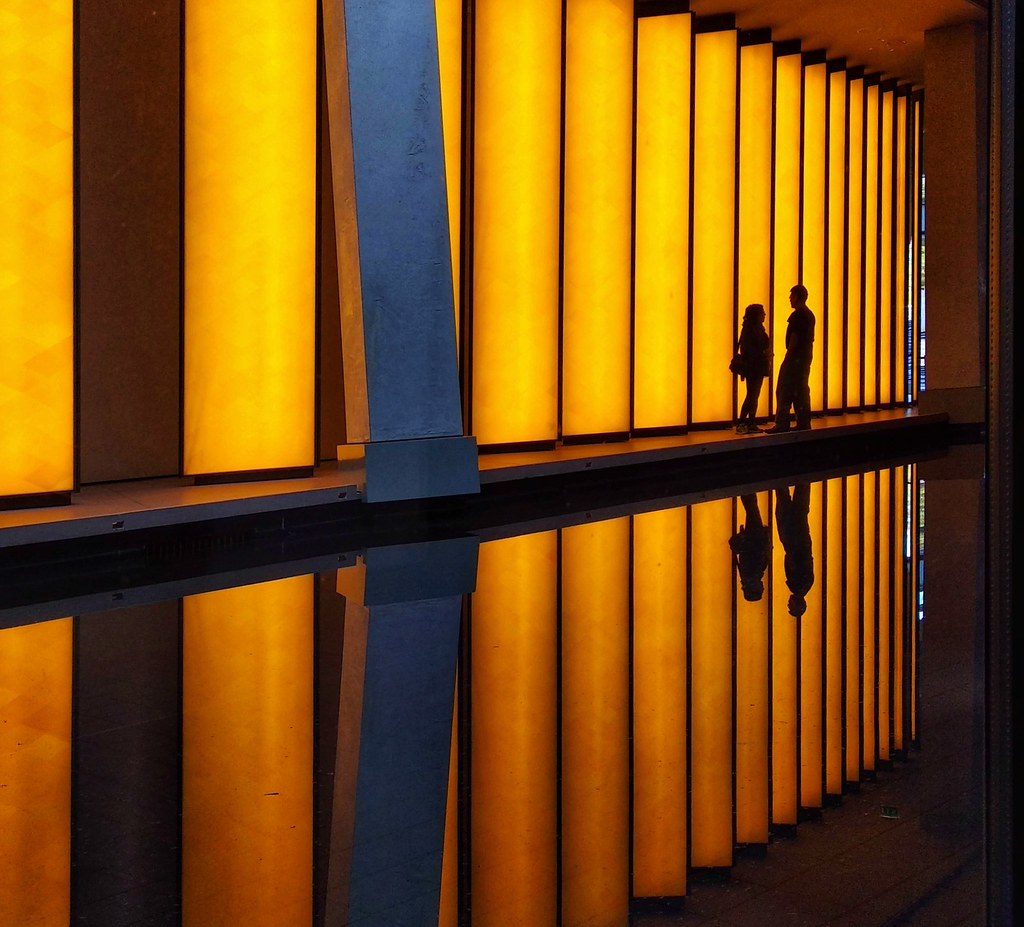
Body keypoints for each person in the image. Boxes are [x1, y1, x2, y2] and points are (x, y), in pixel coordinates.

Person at [766, 284, 815, 433]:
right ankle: (803, 421)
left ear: (797, 297)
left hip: (795, 357)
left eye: (791, 296)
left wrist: (787, 358)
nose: (789, 299)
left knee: (784, 388)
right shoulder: (809, 314)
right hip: (805, 356)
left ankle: (782, 423)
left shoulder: (798, 315)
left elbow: (794, 339)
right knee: (800, 389)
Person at [775, 482, 814, 617]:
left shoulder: (807, 583)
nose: (788, 603)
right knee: (782, 495)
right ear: (798, 604)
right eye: (790, 606)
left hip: (801, 534)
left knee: (801, 494)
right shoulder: (796, 585)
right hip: (791, 537)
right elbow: (792, 558)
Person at [734, 303, 771, 434]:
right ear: (756, 315)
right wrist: (764, 353)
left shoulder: (751, 329)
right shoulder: (754, 330)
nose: (765, 315)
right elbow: (751, 349)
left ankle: (747, 422)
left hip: (754, 367)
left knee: (752, 395)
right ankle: (746, 422)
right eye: (762, 313)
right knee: (752, 395)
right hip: (755, 367)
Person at [729, 494, 771, 601]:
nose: (763, 587)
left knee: (752, 508)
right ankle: (746, 491)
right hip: (752, 536)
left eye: (761, 589)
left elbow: (758, 551)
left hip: (754, 535)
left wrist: (765, 539)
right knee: (751, 508)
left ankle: (747, 490)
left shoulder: (754, 572)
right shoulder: (747, 575)